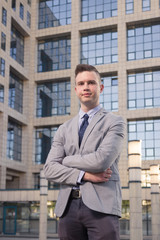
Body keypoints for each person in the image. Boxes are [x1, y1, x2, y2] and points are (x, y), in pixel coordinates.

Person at [44, 64, 125, 240]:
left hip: (102, 207)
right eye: (81, 84)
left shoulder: (115, 122)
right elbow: (49, 169)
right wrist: (85, 175)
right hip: (68, 208)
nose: (86, 87)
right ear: (75, 89)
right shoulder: (64, 128)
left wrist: (66, 161)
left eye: (91, 82)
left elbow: (101, 161)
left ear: (100, 87)